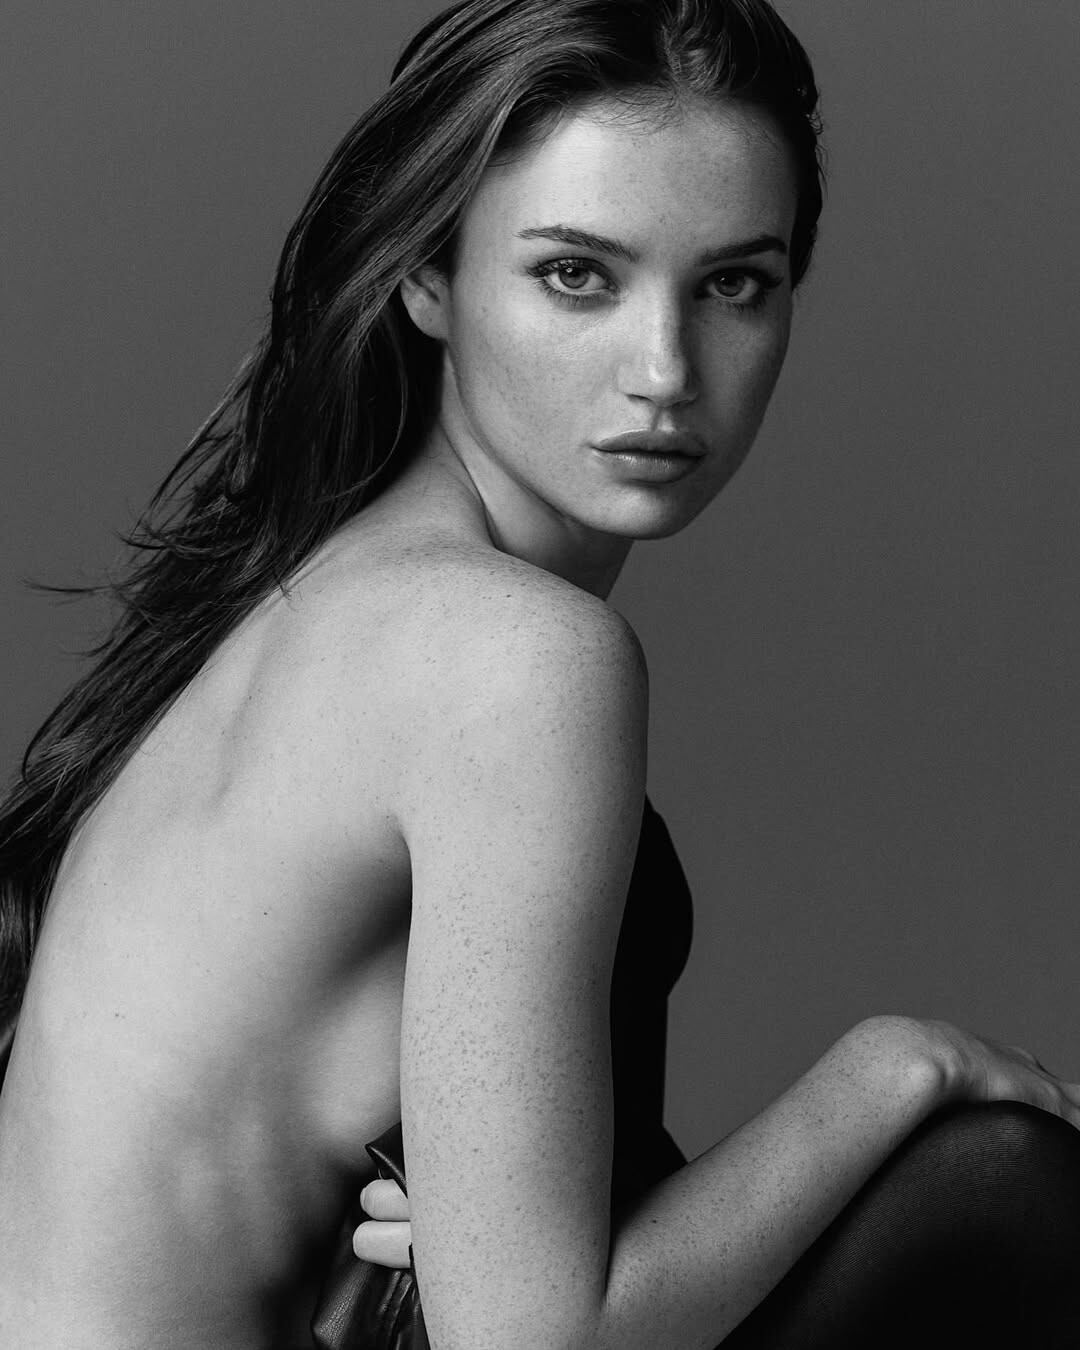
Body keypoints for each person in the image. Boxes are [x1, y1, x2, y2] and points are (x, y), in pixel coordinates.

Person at [2, 1, 1080, 1346]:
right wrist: (898, 1068)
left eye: (733, 285)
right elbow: (533, 1341)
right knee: (1004, 1186)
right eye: (578, 275)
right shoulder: (513, 659)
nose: (664, 370)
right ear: (428, 277)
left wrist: (473, 1241)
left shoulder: (316, 596)